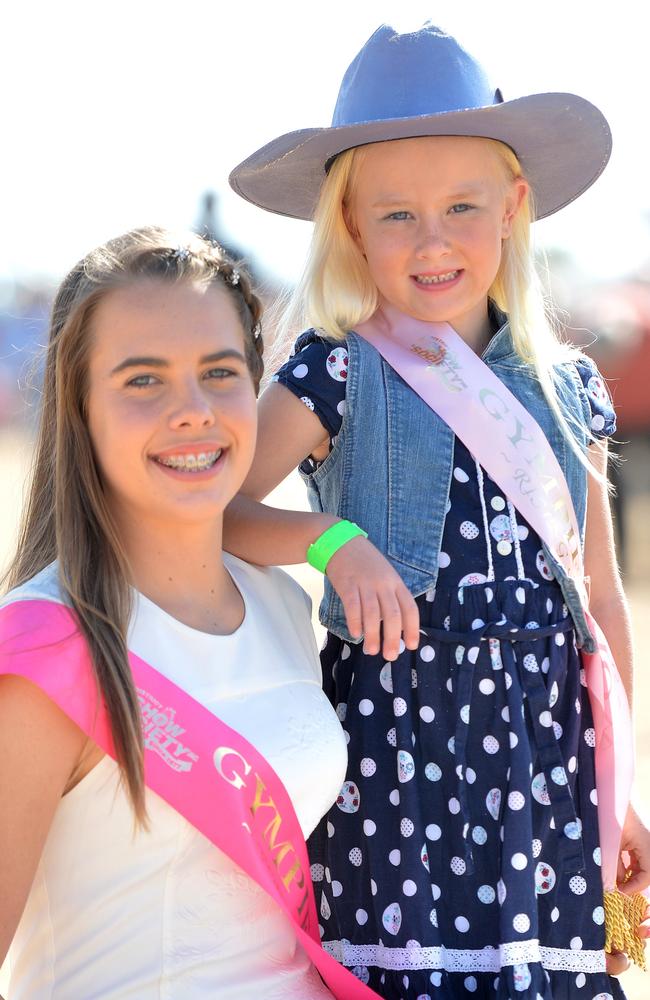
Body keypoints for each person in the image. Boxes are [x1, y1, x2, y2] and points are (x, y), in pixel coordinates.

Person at [224, 23, 650, 999]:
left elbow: (599, 602)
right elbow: (213, 515)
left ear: (511, 209)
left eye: (460, 206)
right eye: (396, 216)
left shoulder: (567, 384)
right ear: (349, 229)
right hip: (400, 770)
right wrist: (326, 540)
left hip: (548, 767)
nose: (431, 241)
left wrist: (619, 788)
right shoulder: (333, 372)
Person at [0, 228, 356, 999]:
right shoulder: (44, 649)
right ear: (79, 408)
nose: (193, 411)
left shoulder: (286, 608)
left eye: (220, 373)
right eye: (142, 381)